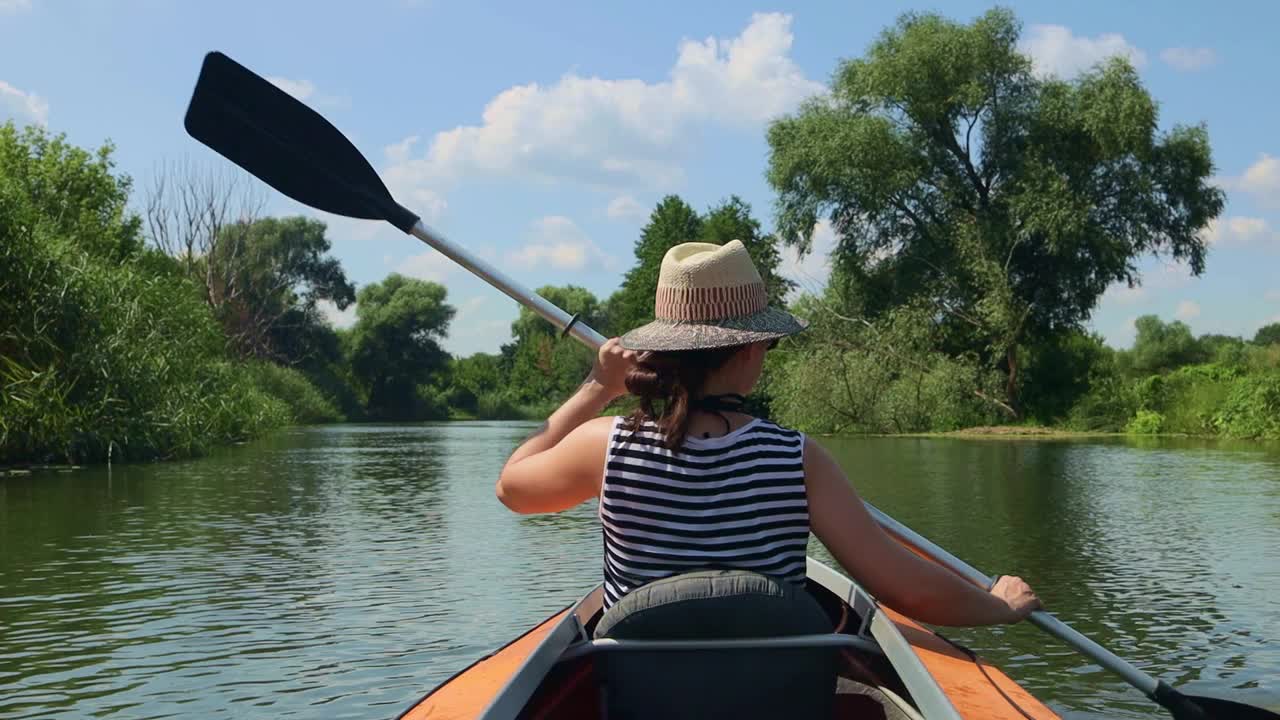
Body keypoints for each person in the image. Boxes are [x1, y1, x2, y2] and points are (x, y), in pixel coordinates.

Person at [495, 240, 1040, 627]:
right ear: (753, 346)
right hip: (776, 698)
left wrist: (597, 386)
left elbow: (513, 488)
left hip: (644, 697)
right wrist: (998, 604)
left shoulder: (607, 446)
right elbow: (904, 584)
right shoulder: (796, 458)